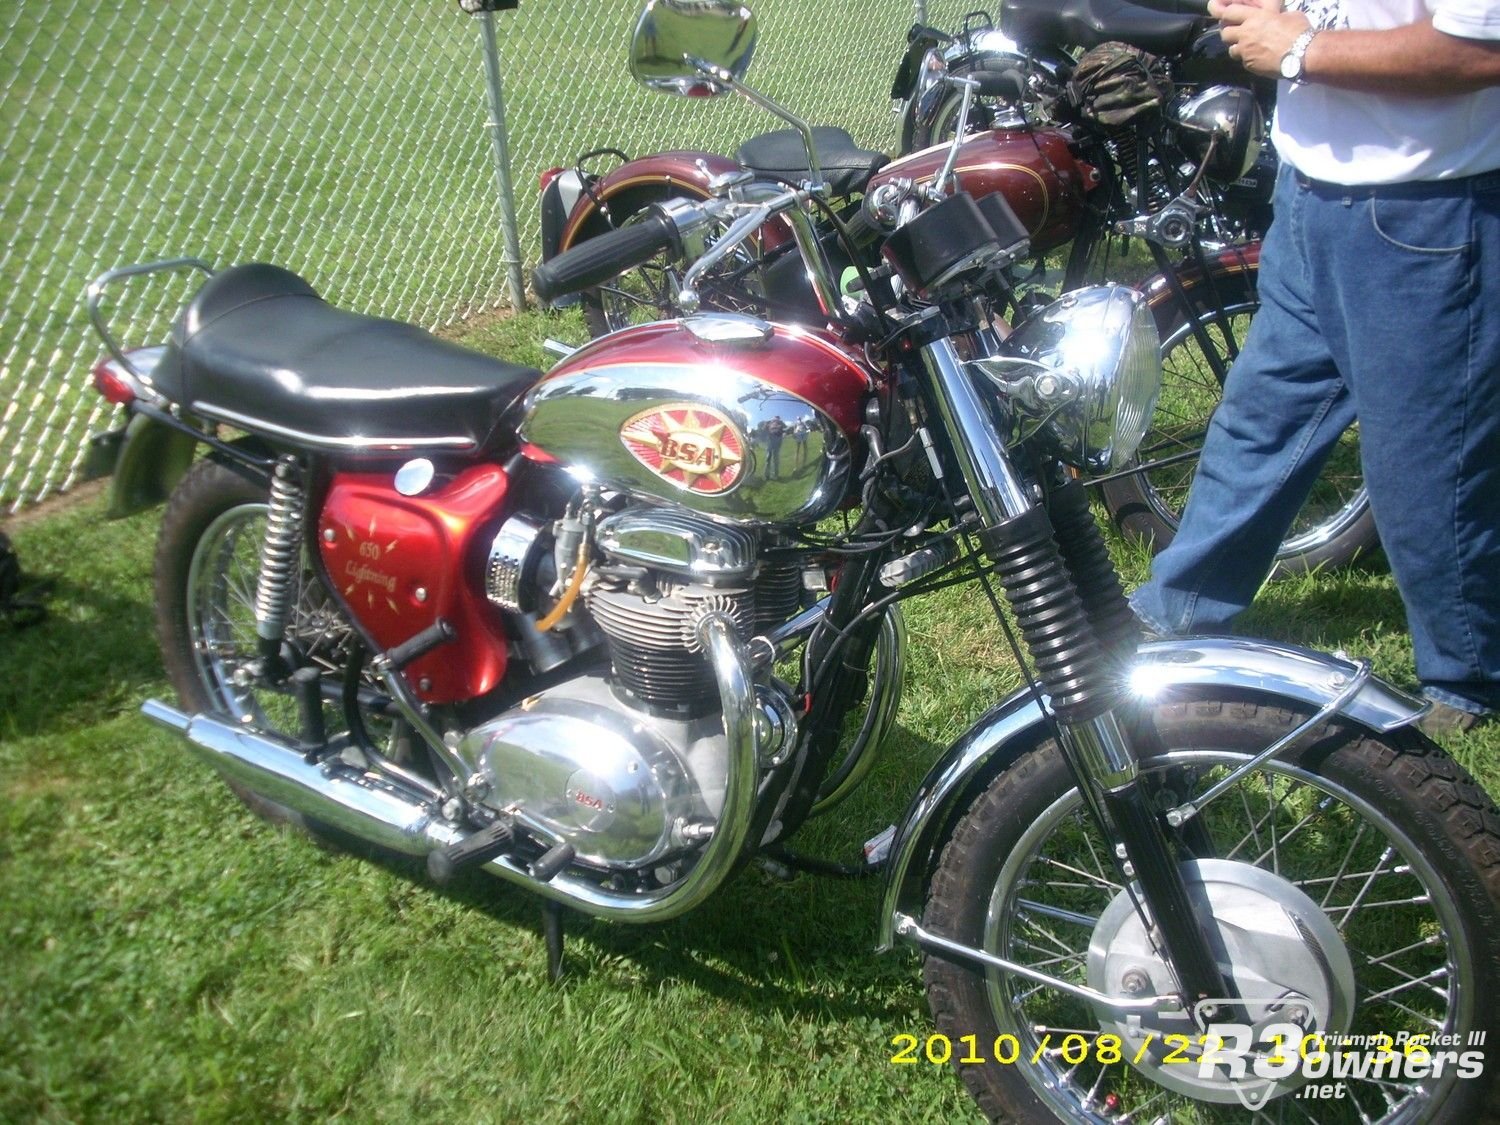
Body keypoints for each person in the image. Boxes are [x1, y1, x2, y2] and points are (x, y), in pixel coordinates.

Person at [1129, 0, 1500, 732]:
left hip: (1425, 207)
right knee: (1261, 417)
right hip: (1308, 192)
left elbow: (1481, 49)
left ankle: (1467, 678)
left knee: (1428, 467)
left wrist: (1301, 49)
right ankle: (1179, 610)